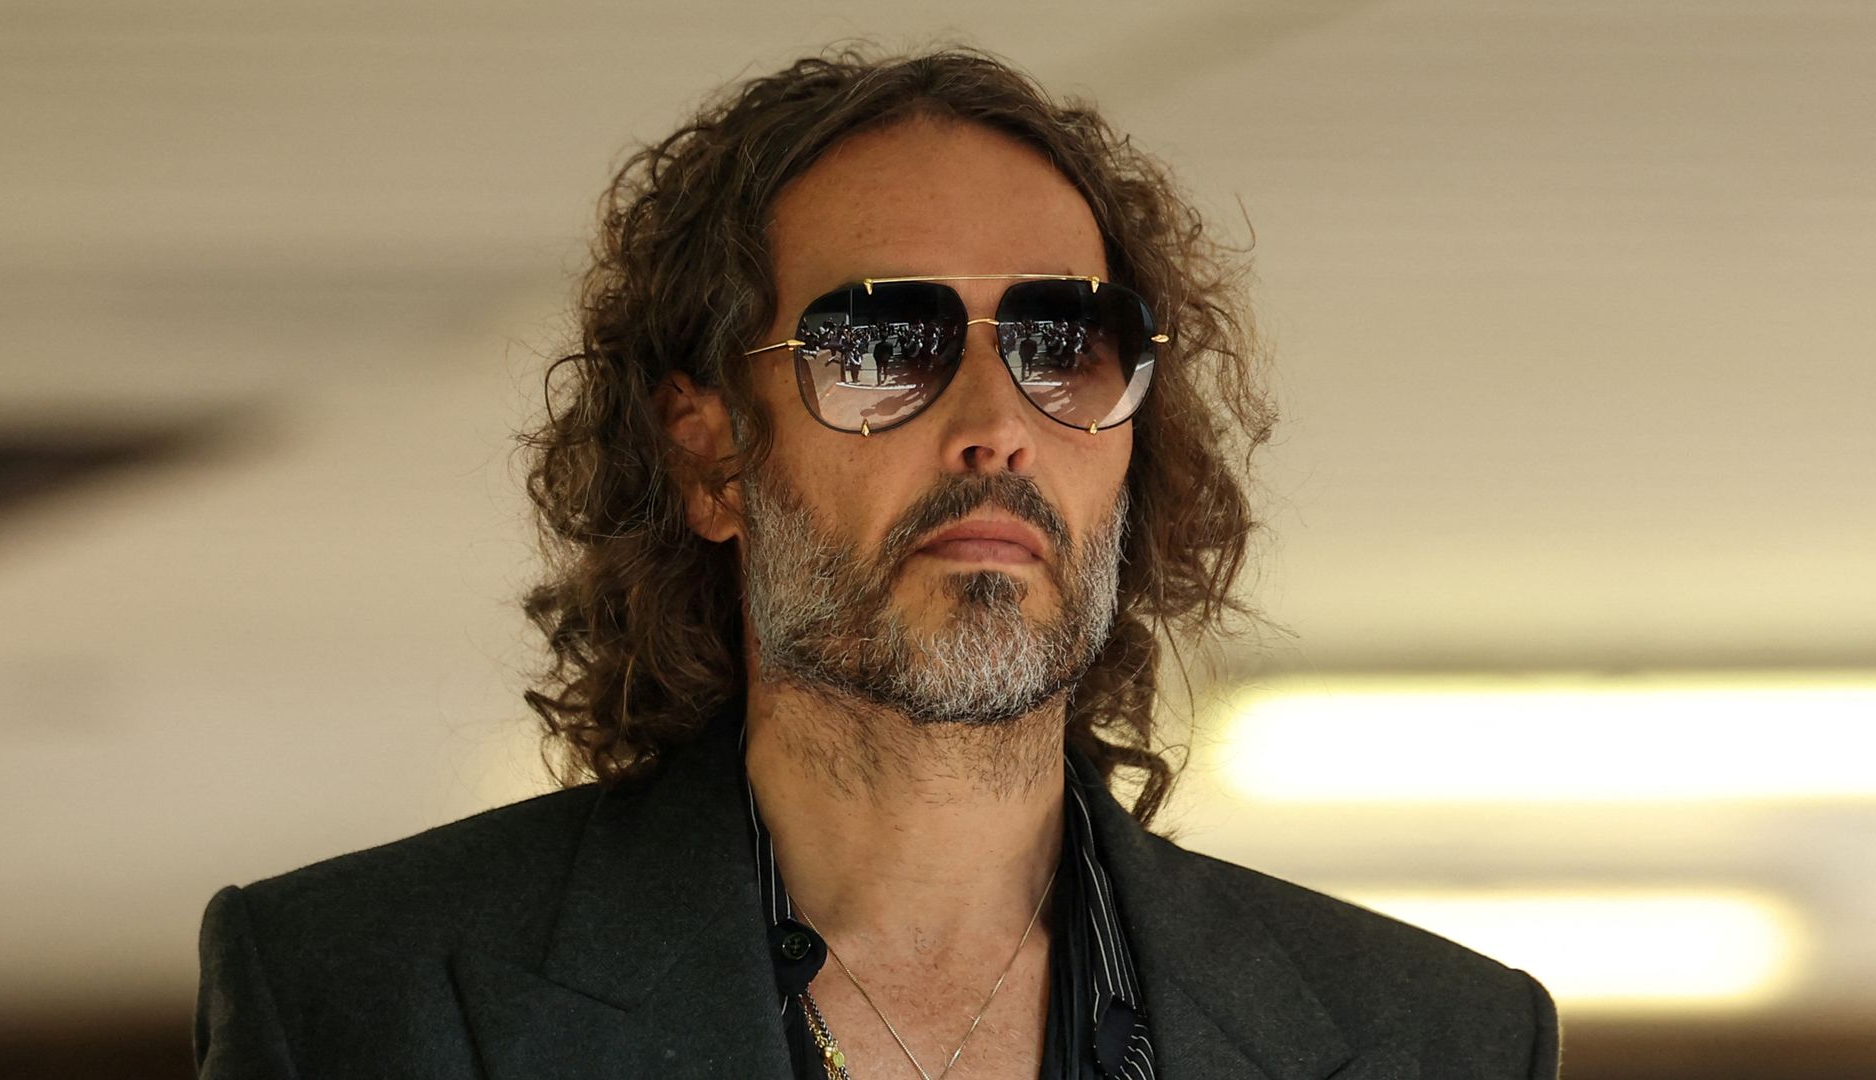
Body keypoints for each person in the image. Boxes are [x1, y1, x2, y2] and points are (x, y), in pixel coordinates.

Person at [193, 47, 1561, 1079]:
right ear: (712, 459)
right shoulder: (361, 998)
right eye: (882, 349)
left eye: (1062, 345)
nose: (995, 426)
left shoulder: (1439, 1042)